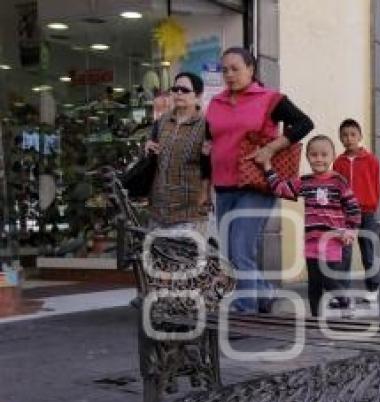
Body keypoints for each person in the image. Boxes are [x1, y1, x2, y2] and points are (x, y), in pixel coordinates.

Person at [206, 47, 314, 313]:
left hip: (255, 185)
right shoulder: (216, 103)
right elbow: (210, 142)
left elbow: (304, 123)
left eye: (235, 69)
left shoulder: (269, 99)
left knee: (242, 249)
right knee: (231, 253)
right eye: (225, 70)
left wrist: (271, 148)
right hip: (223, 186)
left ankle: (245, 309)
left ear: (251, 70)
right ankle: (264, 293)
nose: (229, 75)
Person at [263, 135, 360, 317]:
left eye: (324, 155)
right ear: (307, 157)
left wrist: (351, 229)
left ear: (332, 157)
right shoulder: (305, 181)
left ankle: (345, 300)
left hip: (333, 239)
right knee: (314, 282)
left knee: (328, 278)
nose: (319, 159)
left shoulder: (338, 182)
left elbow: (353, 206)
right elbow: (281, 189)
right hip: (312, 241)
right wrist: (268, 168)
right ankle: (316, 317)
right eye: (314, 155)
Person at [144, 72, 211, 232]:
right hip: (158, 210)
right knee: (157, 257)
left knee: (184, 257)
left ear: (198, 96)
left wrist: (204, 195)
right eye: (176, 89)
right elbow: (151, 156)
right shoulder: (161, 122)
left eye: (185, 90)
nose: (179, 93)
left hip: (189, 212)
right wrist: (147, 148)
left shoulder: (206, 125)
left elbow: (209, 168)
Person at [332, 119, 380, 304]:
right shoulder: (338, 163)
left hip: (366, 212)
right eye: (344, 135)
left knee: (368, 250)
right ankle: (341, 292)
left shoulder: (371, 160)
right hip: (345, 214)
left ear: (360, 136)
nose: (349, 138)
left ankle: (372, 287)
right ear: (340, 138)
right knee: (344, 253)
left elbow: (377, 184)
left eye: (353, 134)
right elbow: (335, 187)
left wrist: (373, 205)